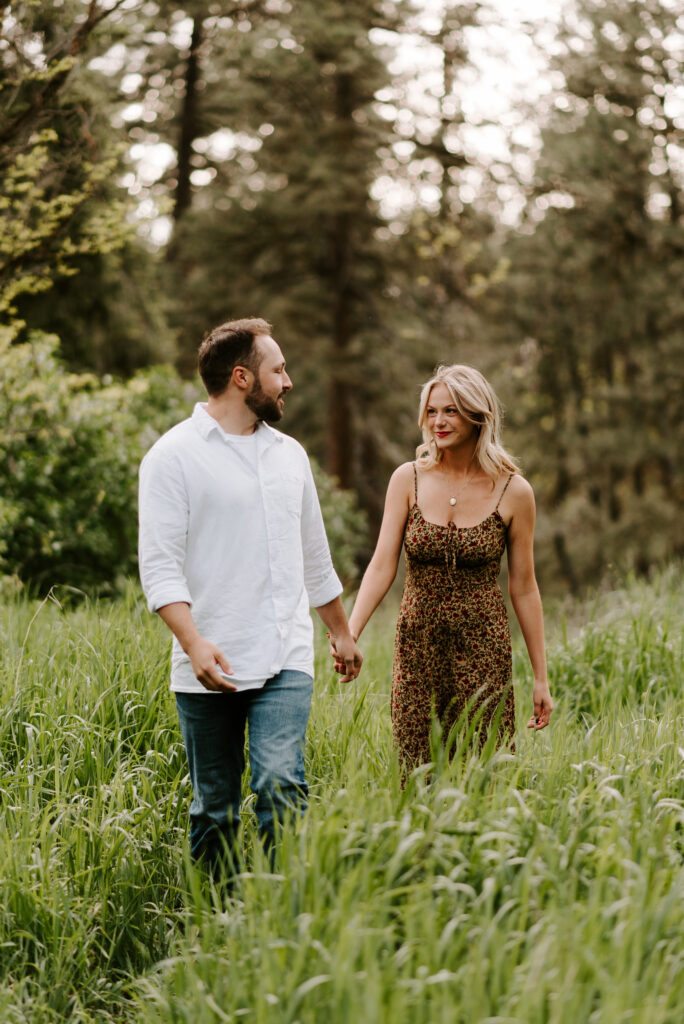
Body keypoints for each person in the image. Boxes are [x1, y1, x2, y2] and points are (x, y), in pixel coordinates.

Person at [138, 317, 362, 877]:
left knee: (280, 781)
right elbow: (160, 569)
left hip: (284, 651)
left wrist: (340, 632)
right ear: (242, 377)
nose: (288, 381)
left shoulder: (290, 456)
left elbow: (314, 555)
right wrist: (194, 644)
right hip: (206, 658)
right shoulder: (171, 457)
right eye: (278, 369)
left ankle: (288, 914)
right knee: (214, 808)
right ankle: (217, 919)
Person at [332, 363, 552, 776]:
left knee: (482, 770)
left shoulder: (514, 491)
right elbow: (382, 564)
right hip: (417, 647)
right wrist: (351, 632)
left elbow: (524, 588)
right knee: (415, 772)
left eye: (450, 411)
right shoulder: (407, 479)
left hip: (484, 649)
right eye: (431, 412)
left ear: (476, 414)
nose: (438, 421)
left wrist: (541, 678)